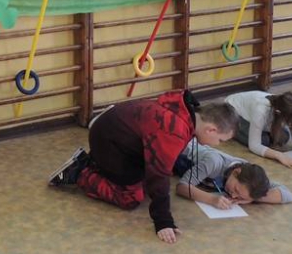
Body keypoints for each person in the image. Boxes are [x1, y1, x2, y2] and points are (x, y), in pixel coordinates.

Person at [48, 91, 238, 244]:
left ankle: (95, 162)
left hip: (116, 135)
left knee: (147, 187)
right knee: (131, 198)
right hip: (110, 143)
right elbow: (159, 174)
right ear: (211, 129)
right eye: (220, 140)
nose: (218, 145)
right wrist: (163, 221)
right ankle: (80, 172)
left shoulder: (187, 111)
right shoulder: (174, 129)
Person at [174, 140, 292, 207]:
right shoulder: (213, 162)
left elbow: (287, 194)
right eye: (236, 190)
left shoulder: (251, 178)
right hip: (176, 149)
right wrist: (212, 199)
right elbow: (182, 187)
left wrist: (251, 198)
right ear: (236, 172)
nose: (234, 196)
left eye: (239, 196)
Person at [226, 90, 292, 168]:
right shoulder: (261, 110)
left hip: (259, 119)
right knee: (263, 141)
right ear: (278, 113)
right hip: (232, 112)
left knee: (284, 137)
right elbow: (254, 145)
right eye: (290, 123)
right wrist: (279, 156)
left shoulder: (286, 109)